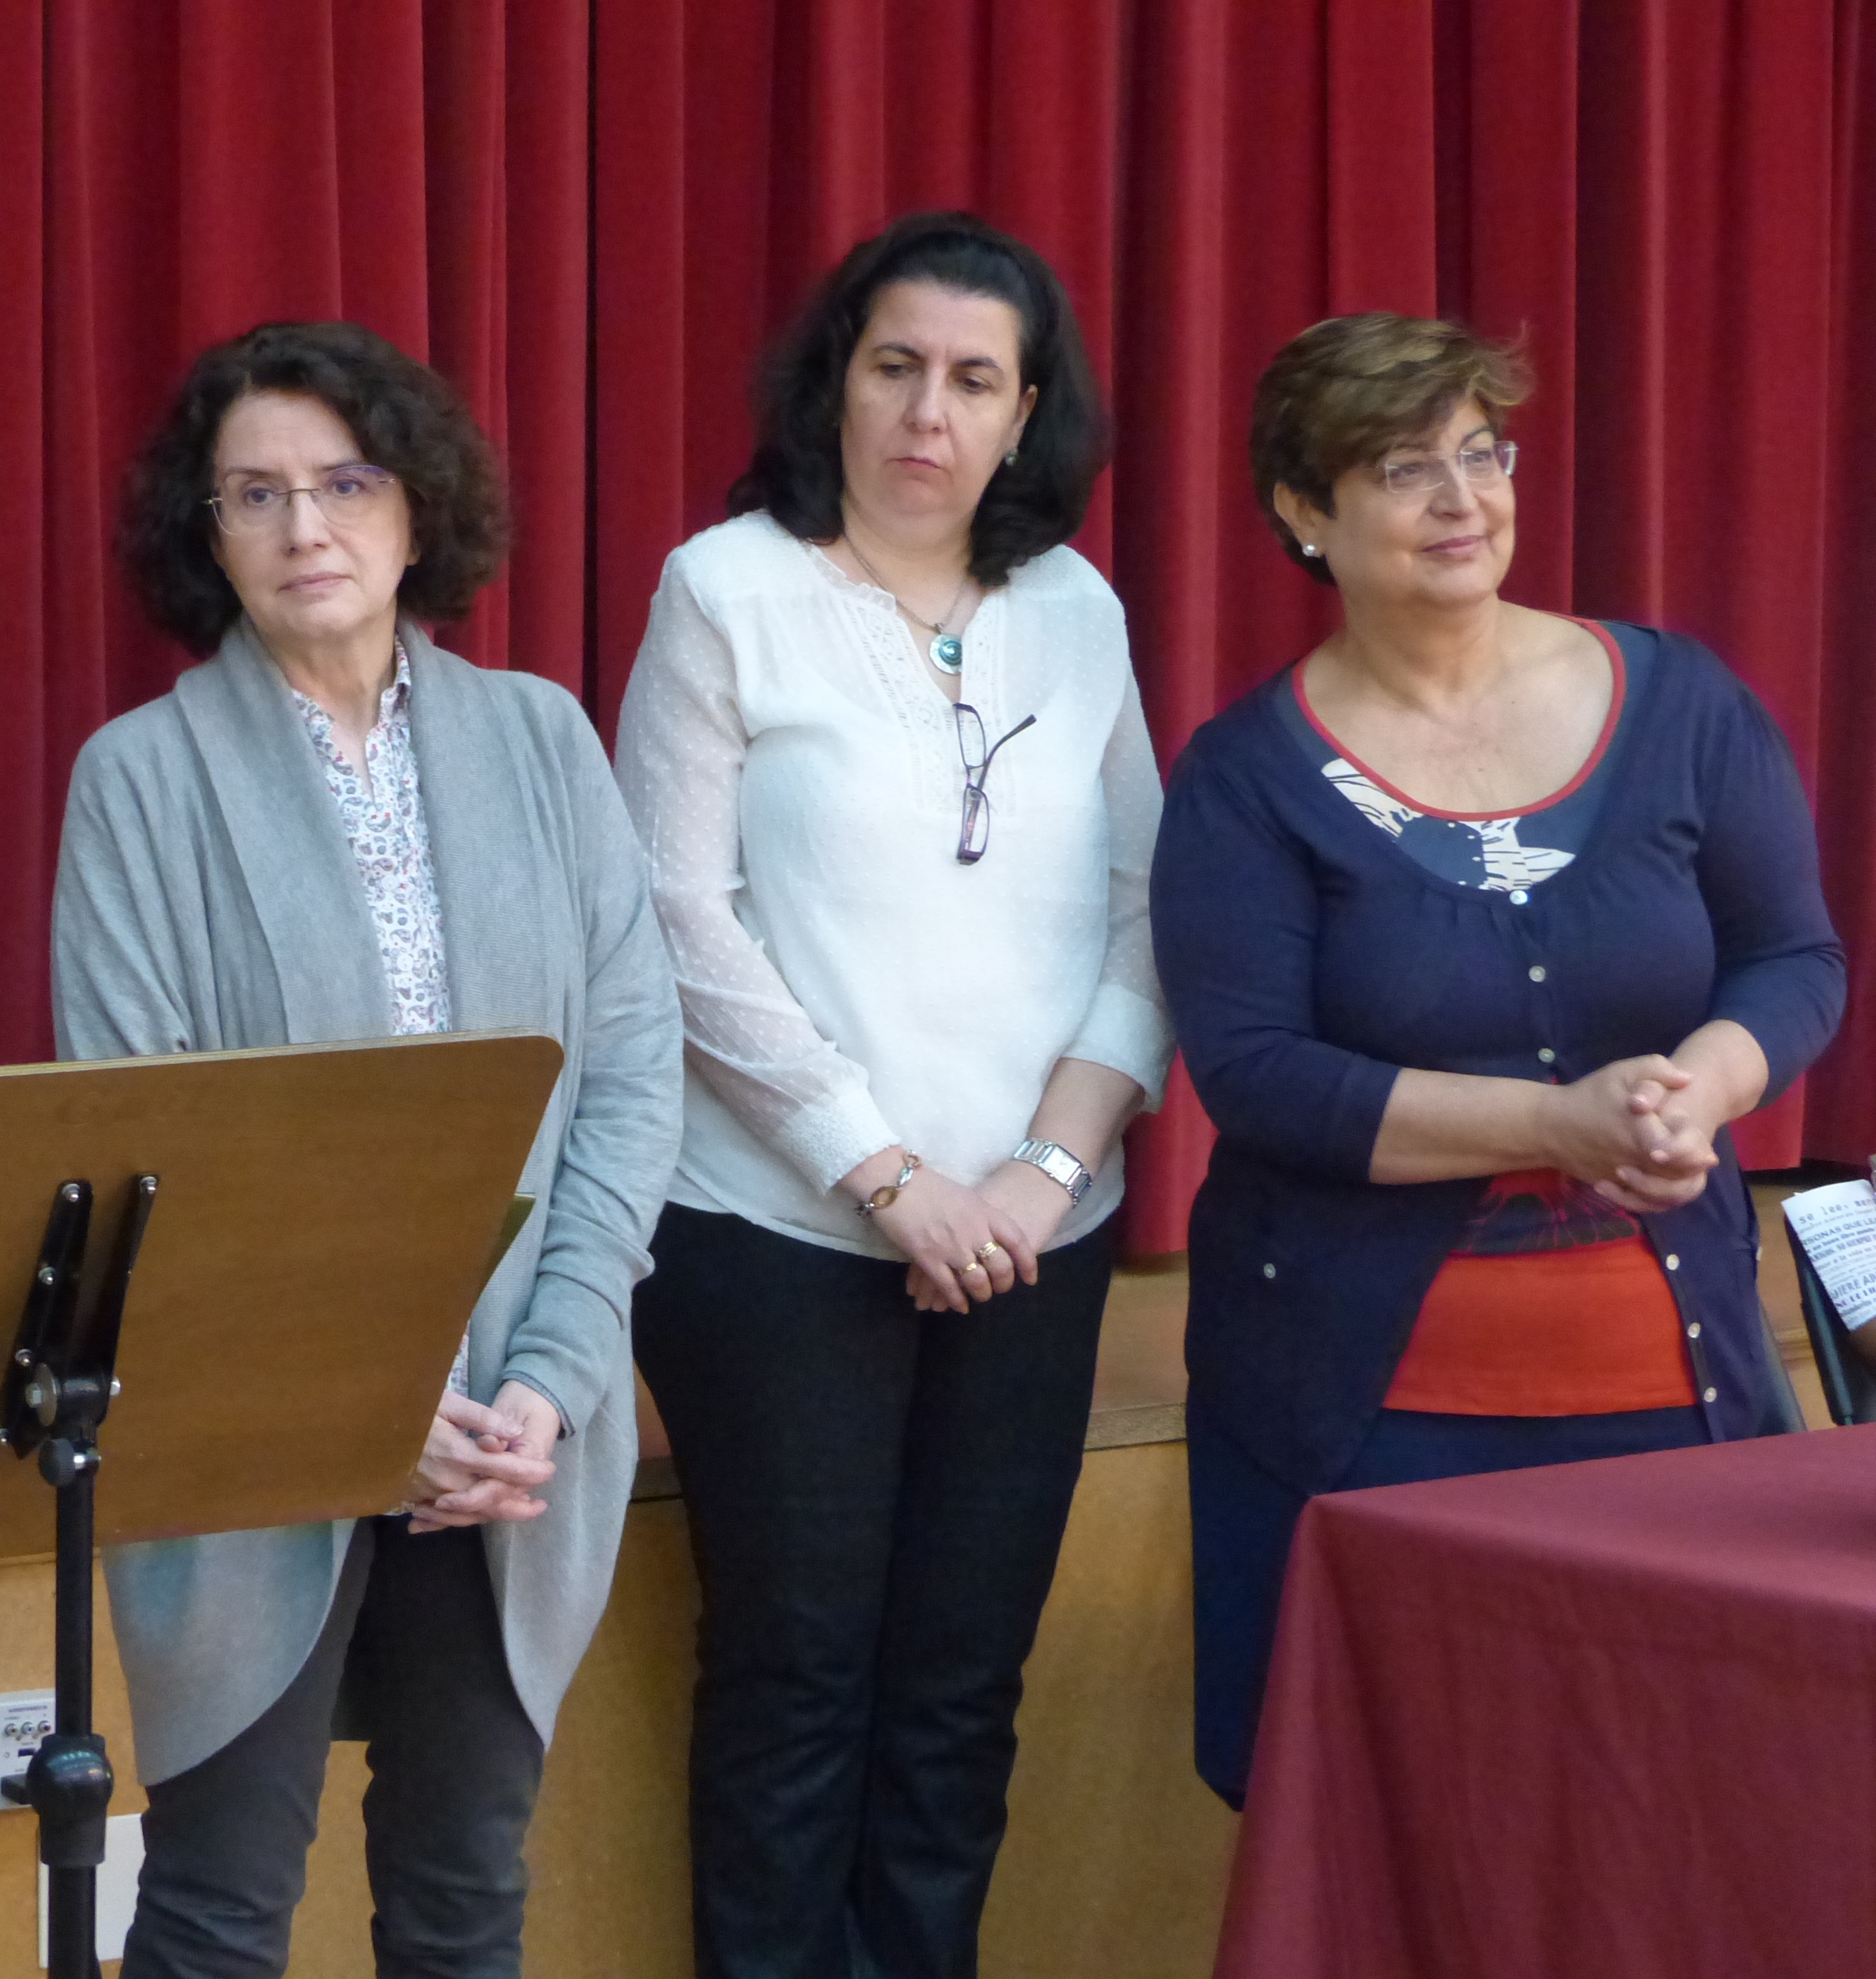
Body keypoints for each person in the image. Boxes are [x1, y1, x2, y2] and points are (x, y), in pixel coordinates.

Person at [51, 319, 682, 1979]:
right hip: (249, 1421)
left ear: (416, 508)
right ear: (206, 534)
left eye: (343, 483)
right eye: (253, 494)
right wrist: (356, 1410)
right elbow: (146, 1154)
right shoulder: (139, 782)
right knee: (215, 1908)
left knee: (465, 1899)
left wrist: (551, 1378)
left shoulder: (541, 740)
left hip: (515, 1429)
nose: (304, 527)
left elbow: (628, 1080)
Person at [1154, 313, 1847, 1808]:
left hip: (1672, 1399)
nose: (1462, 499)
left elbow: (1793, 959)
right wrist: (1554, 1122)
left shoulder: (1681, 705)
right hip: (1370, 1424)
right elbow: (1257, 1075)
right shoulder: (1247, 775)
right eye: (1405, 469)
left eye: (1482, 453)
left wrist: (1705, 1086)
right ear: (1304, 511)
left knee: (1689, 1822)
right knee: (1401, 1827)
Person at [611, 211, 1173, 1979]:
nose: (930, 412)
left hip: (1034, 1238)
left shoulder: (1075, 610)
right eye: (897, 367)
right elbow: (675, 919)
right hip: (774, 1239)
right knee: (796, 1683)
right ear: (834, 385)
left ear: (1026, 415)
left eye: (974, 380)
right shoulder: (723, 592)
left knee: (956, 1690)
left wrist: (1038, 1173)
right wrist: (885, 1174)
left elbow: (1149, 911)